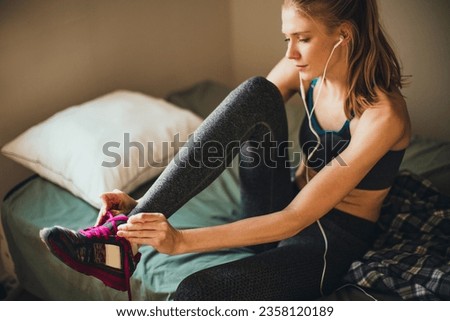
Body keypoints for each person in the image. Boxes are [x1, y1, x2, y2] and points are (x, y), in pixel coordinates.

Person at [41, 0, 411, 300]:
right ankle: (124, 236)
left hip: (327, 238)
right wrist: (145, 208)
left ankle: (122, 242)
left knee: (194, 294)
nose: (292, 53)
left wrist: (181, 240)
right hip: (280, 201)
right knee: (256, 92)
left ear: (343, 35)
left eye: (303, 38)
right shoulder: (304, 70)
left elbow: (297, 218)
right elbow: (239, 118)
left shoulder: (383, 116)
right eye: (287, 39)